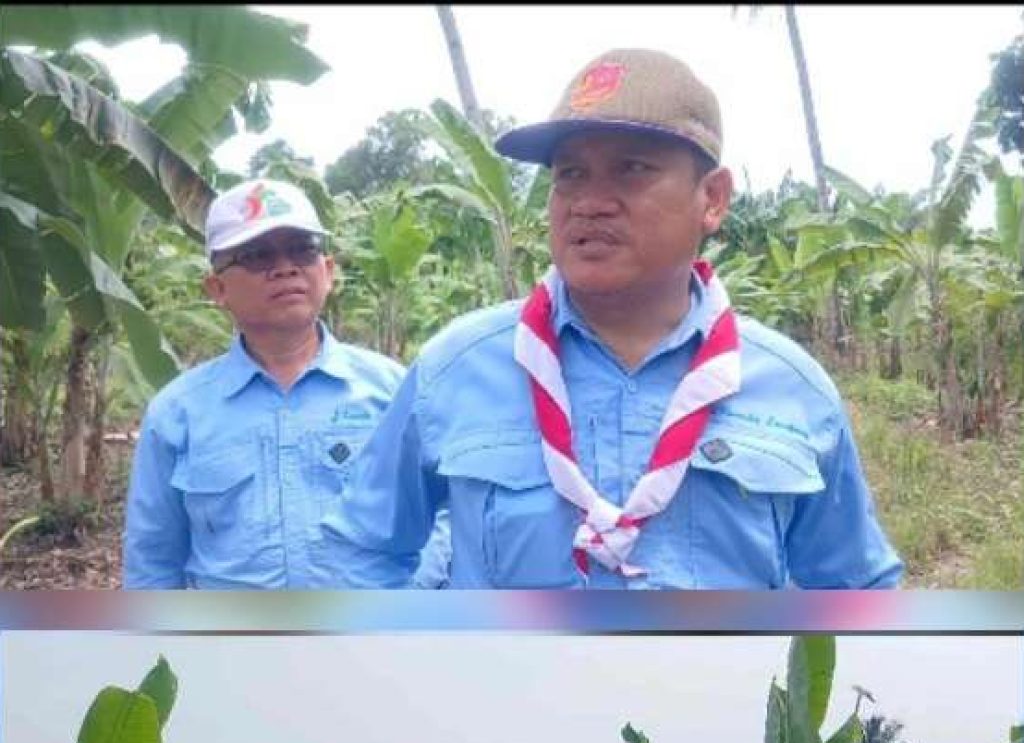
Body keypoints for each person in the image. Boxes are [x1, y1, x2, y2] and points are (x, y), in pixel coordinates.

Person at [321, 49, 903, 589]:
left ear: (713, 198)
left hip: (715, 701)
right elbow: (362, 551)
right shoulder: (457, 370)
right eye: (570, 174)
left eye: (631, 169)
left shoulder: (792, 391)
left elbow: (856, 592)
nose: (589, 201)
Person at [123, 178, 448, 588]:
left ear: (327, 271)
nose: (285, 267)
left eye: (303, 249)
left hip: (371, 642)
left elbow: (445, 512)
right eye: (257, 256)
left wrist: (414, 603)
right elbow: (152, 559)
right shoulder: (177, 414)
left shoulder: (392, 391)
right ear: (217, 288)